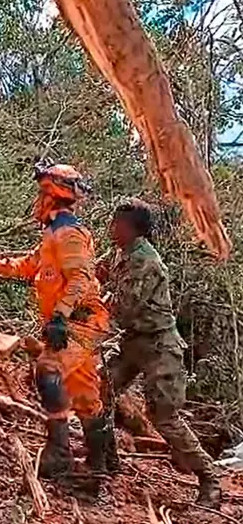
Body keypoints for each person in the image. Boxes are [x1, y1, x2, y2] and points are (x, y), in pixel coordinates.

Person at [0, 163, 113, 477]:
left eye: (42, 193)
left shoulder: (69, 233)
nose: (39, 200)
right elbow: (30, 265)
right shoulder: (54, 233)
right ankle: (101, 463)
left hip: (80, 322)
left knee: (48, 370)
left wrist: (60, 316)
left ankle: (59, 455)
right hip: (76, 322)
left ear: (53, 194)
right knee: (86, 397)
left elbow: (80, 277)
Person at [99, 198, 221, 507]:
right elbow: (97, 273)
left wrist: (91, 310)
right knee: (100, 389)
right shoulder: (120, 254)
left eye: (118, 224)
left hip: (159, 346)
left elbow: (125, 311)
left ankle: (209, 479)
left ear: (134, 230)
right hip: (134, 341)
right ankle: (104, 461)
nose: (112, 229)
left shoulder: (145, 262)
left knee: (165, 417)